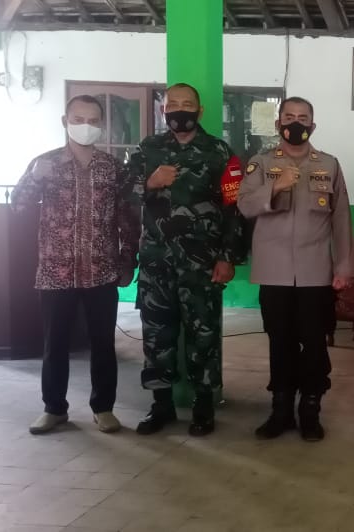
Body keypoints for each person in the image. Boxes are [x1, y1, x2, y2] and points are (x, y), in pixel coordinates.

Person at [13, 95, 139, 435]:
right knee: (55, 344)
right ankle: (54, 408)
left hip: (102, 270)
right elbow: (19, 207)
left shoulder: (113, 168)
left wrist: (128, 259)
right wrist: (33, 180)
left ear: (102, 124)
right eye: (79, 119)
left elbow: (128, 217)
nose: (86, 126)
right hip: (56, 272)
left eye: (93, 120)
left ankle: (104, 408)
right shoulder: (45, 164)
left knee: (103, 344)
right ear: (65, 121)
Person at [128, 83, 246, 437]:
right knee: (156, 336)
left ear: (200, 110)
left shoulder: (219, 151)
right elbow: (123, 193)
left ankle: (203, 406)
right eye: (173, 103)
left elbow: (234, 207)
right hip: (156, 262)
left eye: (188, 104)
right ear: (163, 109)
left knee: (203, 335)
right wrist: (150, 183)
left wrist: (228, 257)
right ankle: (161, 405)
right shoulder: (148, 149)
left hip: (202, 264)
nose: (180, 109)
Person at [238, 97, 354, 442]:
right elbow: (244, 205)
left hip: (315, 272)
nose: (295, 123)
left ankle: (310, 409)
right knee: (280, 342)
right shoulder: (261, 163)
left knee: (315, 343)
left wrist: (344, 266)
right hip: (273, 271)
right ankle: (280, 410)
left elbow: (341, 219)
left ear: (312, 126)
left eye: (303, 118)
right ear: (278, 124)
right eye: (289, 117)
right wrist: (275, 186)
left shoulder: (329, 165)